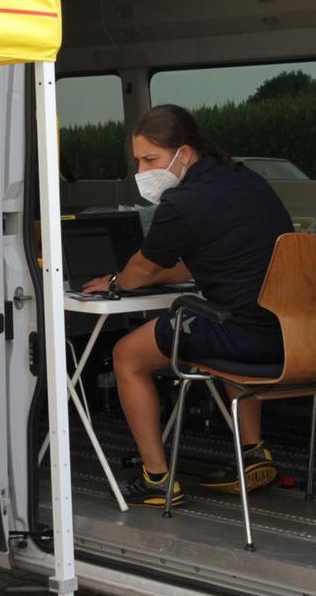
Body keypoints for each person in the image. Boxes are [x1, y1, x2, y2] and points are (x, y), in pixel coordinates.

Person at [80, 105, 293, 507]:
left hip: (243, 336)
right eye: (137, 161)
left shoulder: (182, 202)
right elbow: (191, 262)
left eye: (150, 160)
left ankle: (157, 478)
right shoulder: (247, 181)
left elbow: (141, 272)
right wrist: (157, 272)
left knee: (126, 356)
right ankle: (253, 453)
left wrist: (113, 281)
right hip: (290, 334)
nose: (142, 171)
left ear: (186, 153)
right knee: (229, 318)